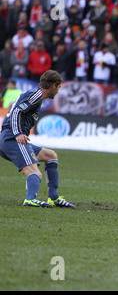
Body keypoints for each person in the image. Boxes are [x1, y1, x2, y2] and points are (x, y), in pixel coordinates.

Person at [0, 70, 75, 208]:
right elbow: (17, 111)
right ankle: (29, 200)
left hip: (11, 138)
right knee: (35, 172)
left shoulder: (36, 95)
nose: (58, 91)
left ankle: (54, 197)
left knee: (50, 155)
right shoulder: (37, 94)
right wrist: (17, 133)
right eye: (59, 87)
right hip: (12, 139)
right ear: (53, 85)